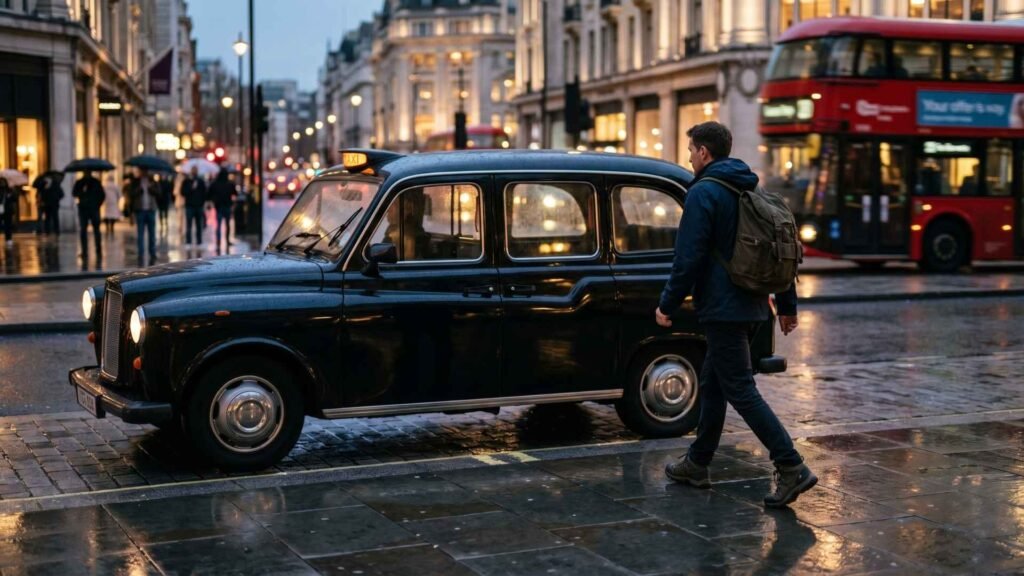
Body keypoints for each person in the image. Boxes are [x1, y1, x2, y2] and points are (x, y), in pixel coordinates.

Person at [657, 121, 815, 509]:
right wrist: (787, 305)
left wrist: (667, 303)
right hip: (752, 305)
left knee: (740, 388)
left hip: (722, 308)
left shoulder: (704, 193)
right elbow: (779, 245)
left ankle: (791, 465)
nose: (689, 157)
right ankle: (697, 463)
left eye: (691, 150)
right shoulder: (750, 187)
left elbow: (687, 257)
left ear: (705, 153)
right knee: (713, 384)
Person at [72, 170, 105, 260]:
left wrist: (97, 204)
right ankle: (84, 251)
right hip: (83, 209)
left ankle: (98, 250)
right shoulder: (80, 182)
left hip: (94, 209)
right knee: (83, 230)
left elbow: (102, 195)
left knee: (96, 230)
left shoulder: (96, 182)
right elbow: (74, 193)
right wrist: (82, 191)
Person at [129, 169, 159, 266]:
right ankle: (141, 254)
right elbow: (131, 194)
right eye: (143, 171)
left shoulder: (153, 181)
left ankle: (152, 253)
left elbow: (159, 193)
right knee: (140, 234)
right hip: (140, 210)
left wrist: (150, 188)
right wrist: (140, 189)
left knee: (152, 234)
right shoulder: (136, 182)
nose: (145, 173)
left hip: (151, 210)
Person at [208, 169, 236, 251]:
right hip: (227, 205)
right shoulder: (230, 184)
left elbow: (209, 194)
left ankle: (218, 241)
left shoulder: (215, 183)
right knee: (227, 225)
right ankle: (227, 240)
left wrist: (213, 200)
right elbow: (235, 193)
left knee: (219, 225)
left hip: (219, 206)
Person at [182, 166, 208, 249]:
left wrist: (202, 203)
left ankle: (199, 242)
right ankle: (188, 242)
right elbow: (183, 192)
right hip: (189, 206)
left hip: (198, 206)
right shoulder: (186, 181)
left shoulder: (201, 181)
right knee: (188, 225)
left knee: (198, 225)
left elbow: (204, 193)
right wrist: (191, 188)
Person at [0, 177, 16, 246]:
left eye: (3, 182)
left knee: (8, 226)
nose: (2, 183)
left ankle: (8, 239)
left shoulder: (9, 190)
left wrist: (12, 193)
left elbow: (14, 199)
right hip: (0, 209)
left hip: (7, 210)